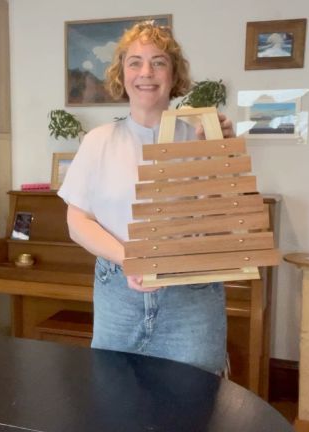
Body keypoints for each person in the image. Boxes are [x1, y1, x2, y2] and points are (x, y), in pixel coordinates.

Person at [57, 21, 234, 374]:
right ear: (121, 74)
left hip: (190, 298)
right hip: (118, 296)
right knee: (115, 394)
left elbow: (225, 221)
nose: (146, 73)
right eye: (135, 62)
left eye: (159, 62)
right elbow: (77, 222)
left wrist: (221, 151)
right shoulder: (98, 142)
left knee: (195, 397)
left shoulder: (202, 139)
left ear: (174, 74)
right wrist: (130, 259)